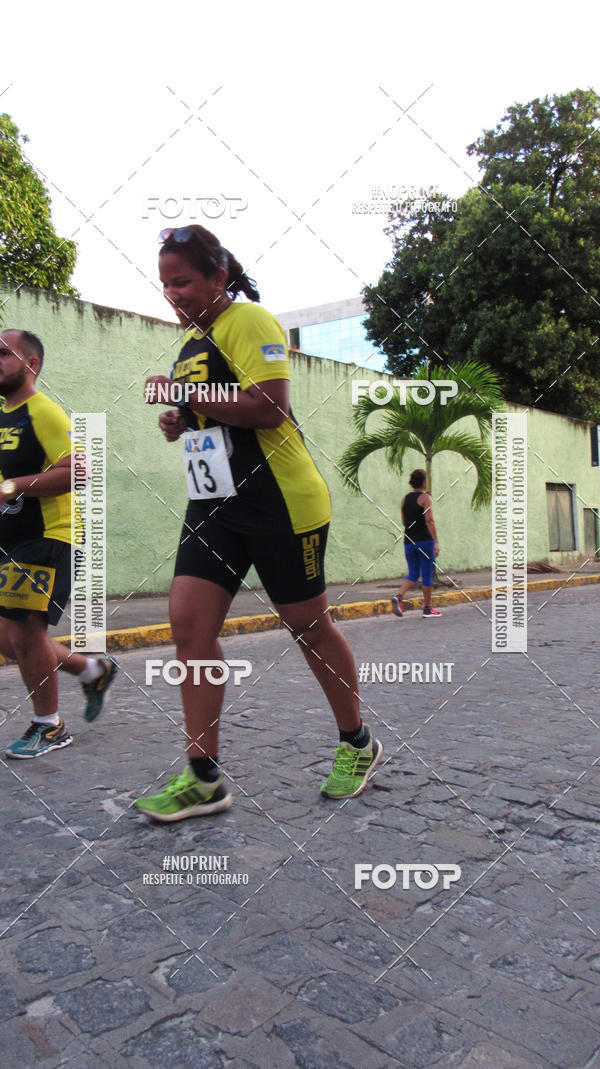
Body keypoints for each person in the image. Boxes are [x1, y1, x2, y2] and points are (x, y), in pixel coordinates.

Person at [135, 224, 382, 822]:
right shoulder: (194, 341)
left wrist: (186, 397)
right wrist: (182, 421)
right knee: (189, 629)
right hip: (214, 504)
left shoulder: (250, 320)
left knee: (307, 626)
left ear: (218, 277)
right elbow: (214, 411)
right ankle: (203, 777)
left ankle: (357, 743)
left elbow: (269, 408)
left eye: (183, 281)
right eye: (165, 283)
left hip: (279, 502)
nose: (172, 293)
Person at [0, 330, 117, 759]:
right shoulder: (4, 418)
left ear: (30, 363)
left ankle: (49, 726)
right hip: (10, 541)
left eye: (4, 353)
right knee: (10, 638)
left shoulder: (42, 411)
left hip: (49, 537)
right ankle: (91, 669)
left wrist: (11, 487)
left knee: (27, 633)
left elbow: (79, 470)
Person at [391, 468, 441, 619]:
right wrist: (436, 541)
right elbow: (429, 520)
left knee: (413, 573)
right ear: (424, 482)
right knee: (426, 574)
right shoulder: (426, 498)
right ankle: (427, 608)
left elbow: (404, 522)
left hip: (409, 541)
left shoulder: (405, 499)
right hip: (425, 541)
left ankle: (399, 597)